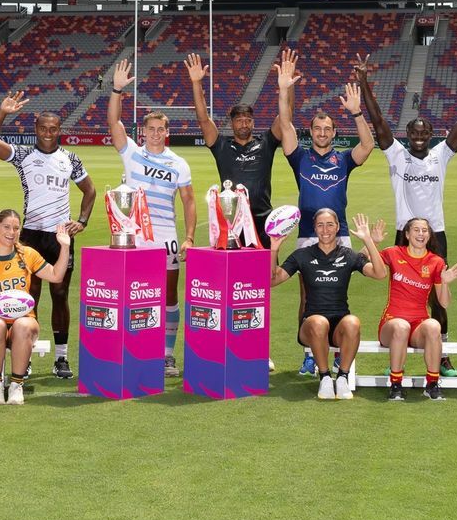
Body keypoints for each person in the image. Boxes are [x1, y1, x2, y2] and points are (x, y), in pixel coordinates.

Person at [358, 55, 457, 376]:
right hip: (404, 233)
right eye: (414, 132)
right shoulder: (396, 154)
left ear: (431, 134)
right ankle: (399, 348)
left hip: (435, 235)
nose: (419, 136)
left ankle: (441, 354)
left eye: (424, 132)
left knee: (437, 293)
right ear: (407, 133)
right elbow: (378, 121)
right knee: (402, 292)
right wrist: (363, 82)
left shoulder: (441, 155)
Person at [274, 51, 375, 374]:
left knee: (336, 293)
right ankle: (309, 353)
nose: (321, 133)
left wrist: (356, 112)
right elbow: (285, 125)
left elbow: (368, 146)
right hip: (307, 234)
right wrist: (283, 89)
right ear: (311, 131)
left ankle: (336, 350)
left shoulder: (343, 159)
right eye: (317, 128)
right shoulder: (299, 157)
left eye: (327, 129)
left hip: (339, 233)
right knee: (308, 296)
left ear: (333, 133)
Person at [0, 92, 95, 380]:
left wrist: (82, 221)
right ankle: (26, 356)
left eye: (53, 129)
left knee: (60, 294)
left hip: (60, 236)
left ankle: (61, 358)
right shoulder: (23, 155)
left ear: (59, 130)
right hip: (30, 235)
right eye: (43, 128)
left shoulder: (70, 159)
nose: (48, 133)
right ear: (36, 129)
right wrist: (2, 113)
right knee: (27, 296)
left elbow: (90, 190)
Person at [108, 58, 197, 376]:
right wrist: (116, 90)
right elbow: (114, 123)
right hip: (133, 237)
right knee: (133, 292)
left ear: (167, 132)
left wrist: (189, 237)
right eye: (151, 129)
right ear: (143, 132)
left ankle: (167, 355)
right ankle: (135, 349)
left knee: (169, 295)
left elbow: (188, 201)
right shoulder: (132, 152)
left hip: (165, 236)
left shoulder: (179, 163)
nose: (156, 134)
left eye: (161, 129)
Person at [269, 209, 385, 400]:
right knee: (319, 322)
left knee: (353, 322)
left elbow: (380, 274)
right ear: (314, 228)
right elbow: (271, 281)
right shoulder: (302, 255)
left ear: (338, 227)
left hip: (338, 328)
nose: (325, 230)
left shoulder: (348, 255)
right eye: (320, 225)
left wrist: (369, 241)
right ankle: (324, 378)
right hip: (311, 327)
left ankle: (342, 377)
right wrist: (274, 249)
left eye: (330, 224)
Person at [0, 211, 72, 405]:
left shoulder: (28, 255)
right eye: (6, 227)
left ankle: (16, 385)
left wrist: (64, 247)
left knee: (23, 325)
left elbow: (56, 276)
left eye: (15, 228)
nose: (11, 232)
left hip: (23, 321)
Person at [186, 51, 282, 247]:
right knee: (231, 266)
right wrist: (196, 83)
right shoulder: (222, 146)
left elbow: (286, 118)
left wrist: (287, 88)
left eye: (248, 120)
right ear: (232, 123)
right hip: (231, 221)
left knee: (266, 267)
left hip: (263, 220)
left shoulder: (266, 143)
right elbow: (203, 119)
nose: (244, 124)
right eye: (239, 120)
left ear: (253, 122)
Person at [367, 216, 457, 401]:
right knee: (401, 326)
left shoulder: (436, 261)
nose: (421, 234)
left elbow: (444, 303)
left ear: (430, 235)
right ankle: (396, 385)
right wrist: (372, 242)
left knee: (434, 326)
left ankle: (432, 384)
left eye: (424, 230)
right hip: (391, 323)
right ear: (407, 234)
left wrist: (444, 282)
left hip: (418, 325)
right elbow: (366, 262)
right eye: (416, 230)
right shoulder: (393, 252)